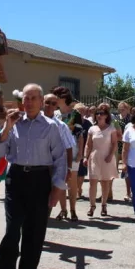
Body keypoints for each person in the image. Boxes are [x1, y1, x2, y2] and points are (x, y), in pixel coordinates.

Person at [0, 83, 67, 269]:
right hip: (16, 179)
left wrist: (57, 188)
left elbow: (60, 159)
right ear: (21, 101)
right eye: (26, 98)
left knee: (34, 233)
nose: (29, 102)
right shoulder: (14, 123)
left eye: (34, 98)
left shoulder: (51, 126)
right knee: (12, 229)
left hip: (40, 180)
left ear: (42, 102)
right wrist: (7, 126)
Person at [42, 93, 78, 221]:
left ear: (56, 106)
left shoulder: (61, 126)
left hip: (53, 167)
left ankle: (41, 226)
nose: (49, 106)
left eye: (53, 103)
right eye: (47, 102)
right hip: (34, 166)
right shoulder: (32, 121)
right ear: (42, 102)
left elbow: (69, 148)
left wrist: (68, 168)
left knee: (48, 200)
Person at [51, 86, 84, 221]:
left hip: (73, 150)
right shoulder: (55, 114)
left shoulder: (75, 114)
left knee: (72, 181)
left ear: (63, 98)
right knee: (60, 180)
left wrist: (80, 153)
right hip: (57, 151)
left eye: (56, 96)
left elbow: (80, 135)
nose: (54, 99)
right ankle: (63, 210)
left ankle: (73, 210)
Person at [83, 104, 118, 217]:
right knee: (93, 182)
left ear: (106, 115)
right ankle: (92, 206)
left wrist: (110, 155)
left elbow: (114, 144)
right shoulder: (92, 129)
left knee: (105, 182)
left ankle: (104, 205)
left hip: (107, 157)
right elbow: (88, 145)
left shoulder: (111, 128)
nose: (99, 115)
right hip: (94, 157)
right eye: (97, 113)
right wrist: (85, 157)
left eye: (101, 113)